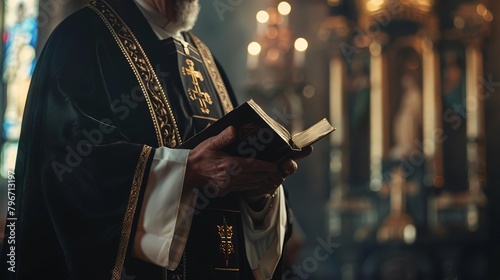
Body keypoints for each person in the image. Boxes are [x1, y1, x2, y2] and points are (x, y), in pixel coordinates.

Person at [0, 0, 312, 279]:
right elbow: (69, 165)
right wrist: (186, 170)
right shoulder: (82, 38)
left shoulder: (205, 58)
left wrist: (258, 190)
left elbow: (231, 177)